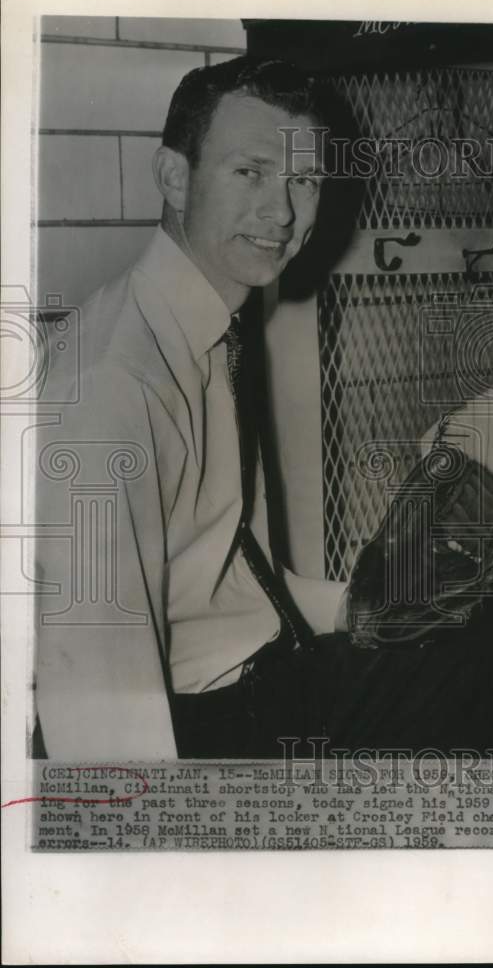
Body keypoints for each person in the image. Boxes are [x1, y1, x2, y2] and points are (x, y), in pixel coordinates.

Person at [34, 57, 347, 760]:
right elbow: (97, 690)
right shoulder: (116, 381)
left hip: (262, 681)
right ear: (174, 177)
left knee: (456, 656)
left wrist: (360, 607)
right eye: (251, 172)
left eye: (304, 180)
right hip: (196, 730)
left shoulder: (208, 332)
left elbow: (216, 575)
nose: (283, 212)